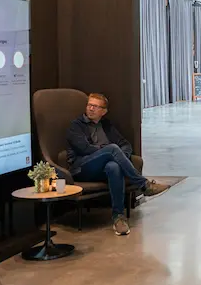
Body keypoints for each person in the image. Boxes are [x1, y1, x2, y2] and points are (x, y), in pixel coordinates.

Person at [66, 93, 168, 235]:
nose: (90, 109)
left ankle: (118, 218)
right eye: (89, 105)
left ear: (103, 111)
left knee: (113, 166)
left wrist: (119, 158)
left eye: (95, 106)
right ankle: (143, 185)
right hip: (83, 167)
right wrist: (109, 151)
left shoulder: (106, 125)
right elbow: (84, 149)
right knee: (112, 148)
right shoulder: (76, 125)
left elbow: (125, 145)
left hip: (104, 167)